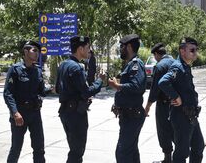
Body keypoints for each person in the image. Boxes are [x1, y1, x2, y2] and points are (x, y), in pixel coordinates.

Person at [56, 36, 106, 163]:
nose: (89, 51)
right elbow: (86, 92)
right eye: (88, 48)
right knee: (77, 151)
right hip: (76, 115)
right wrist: (100, 80)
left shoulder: (63, 65)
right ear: (80, 49)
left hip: (65, 112)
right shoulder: (76, 67)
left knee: (74, 148)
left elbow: (57, 89)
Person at [159, 37, 204, 163]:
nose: (195, 53)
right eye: (192, 50)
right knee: (181, 152)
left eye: (196, 50)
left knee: (198, 146)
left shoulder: (186, 66)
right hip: (181, 117)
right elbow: (163, 82)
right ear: (182, 51)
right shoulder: (178, 67)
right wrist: (175, 96)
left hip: (191, 116)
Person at [3, 41, 47, 163]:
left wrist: (52, 89)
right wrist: (15, 112)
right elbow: (8, 93)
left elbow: (42, 91)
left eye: (38, 51)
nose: (37, 54)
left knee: (39, 147)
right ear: (26, 51)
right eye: (34, 50)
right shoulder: (15, 70)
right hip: (20, 114)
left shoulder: (37, 71)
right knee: (16, 148)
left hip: (35, 113)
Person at [108, 34, 146, 163]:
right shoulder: (129, 64)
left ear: (129, 47)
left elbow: (137, 86)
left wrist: (117, 86)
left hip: (133, 116)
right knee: (131, 152)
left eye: (121, 46)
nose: (120, 49)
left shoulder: (136, 64)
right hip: (128, 115)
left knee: (123, 153)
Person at [144, 43, 175, 163]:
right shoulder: (176, 62)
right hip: (177, 103)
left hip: (164, 104)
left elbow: (155, 90)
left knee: (163, 130)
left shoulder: (160, 66)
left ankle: (168, 159)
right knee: (176, 129)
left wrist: (148, 106)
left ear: (157, 54)